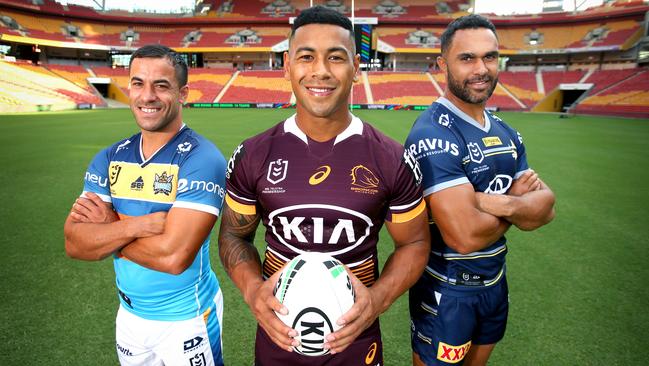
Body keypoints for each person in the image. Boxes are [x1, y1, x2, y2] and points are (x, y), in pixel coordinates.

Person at [218, 6, 430, 366]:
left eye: (336, 58)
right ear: (287, 66)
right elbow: (233, 236)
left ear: (356, 67)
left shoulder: (391, 158)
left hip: (357, 342)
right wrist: (253, 289)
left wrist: (377, 300)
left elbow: (415, 242)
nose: (320, 71)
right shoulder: (253, 154)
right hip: (277, 340)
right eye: (306, 57)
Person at [405, 14, 556, 366]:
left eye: (489, 57)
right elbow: (464, 236)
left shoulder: (507, 133)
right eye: (467, 58)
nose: (481, 68)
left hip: (495, 282)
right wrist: (518, 204)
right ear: (443, 64)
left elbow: (546, 209)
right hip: (448, 289)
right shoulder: (433, 134)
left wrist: (497, 203)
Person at [64, 44, 227, 366]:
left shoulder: (202, 159)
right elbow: (74, 244)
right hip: (128, 316)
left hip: (186, 319)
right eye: (138, 83)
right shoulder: (109, 157)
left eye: (161, 85)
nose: (147, 96)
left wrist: (108, 229)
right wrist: (135, 225)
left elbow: (173, 257)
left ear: (183, 94)